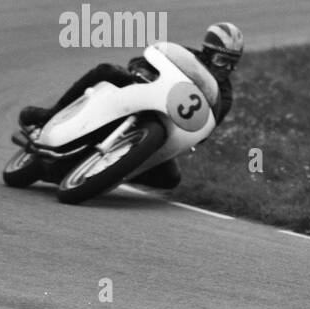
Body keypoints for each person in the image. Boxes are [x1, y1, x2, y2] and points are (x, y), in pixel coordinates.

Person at [18, 23, 244, 189]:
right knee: (107, 70)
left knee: (170, 180)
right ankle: (51, 114)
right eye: (221, 61)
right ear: (207, 53)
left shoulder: (222, 96)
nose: (226, 69)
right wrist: (141, 70)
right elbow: (143, 60)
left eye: (232, 64)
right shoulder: (186, 57)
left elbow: (205, 129)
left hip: (167, 128)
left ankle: (112, 170)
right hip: (142, 96)